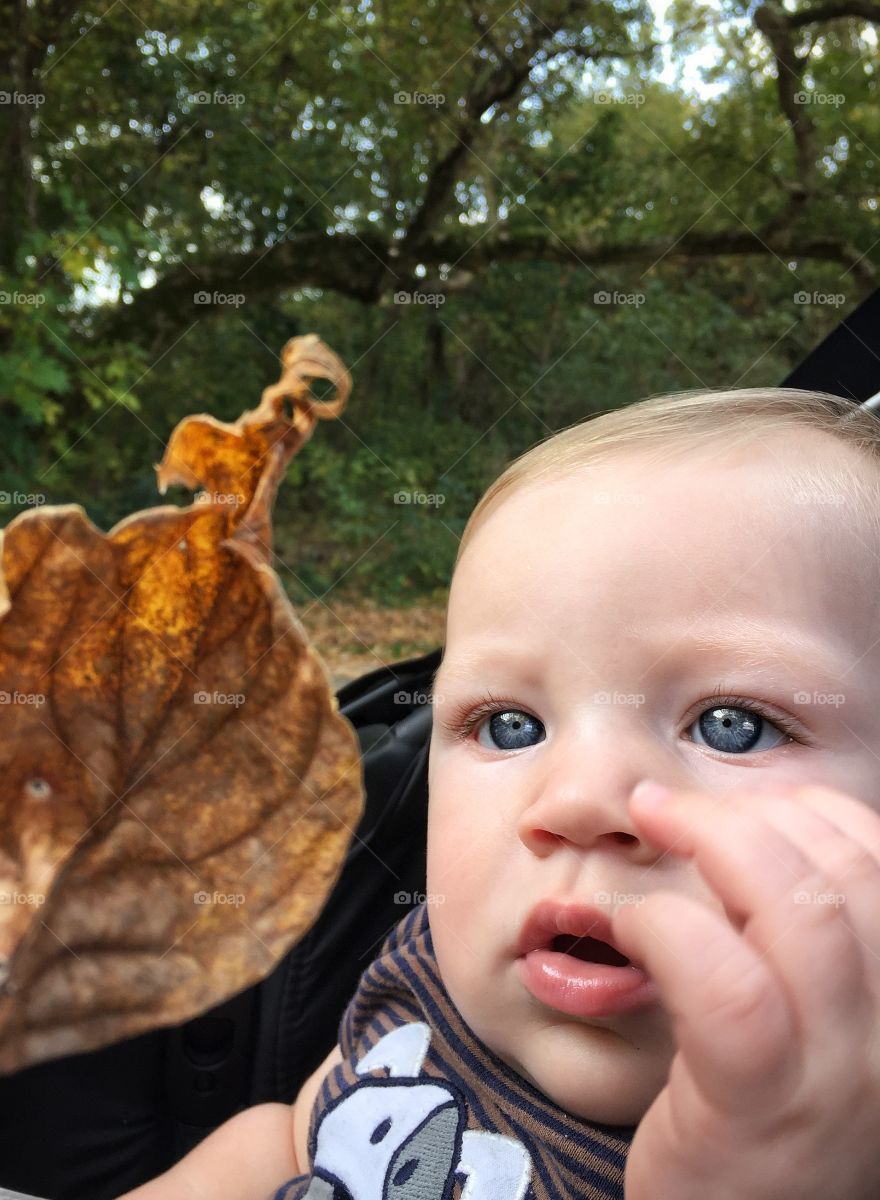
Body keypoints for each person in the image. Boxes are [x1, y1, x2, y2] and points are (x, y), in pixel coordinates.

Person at [117, 387, 880, 1200]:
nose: (578, 802)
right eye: (510, 726)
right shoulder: (437, 969)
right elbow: (294, 1135)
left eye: (734, 725)